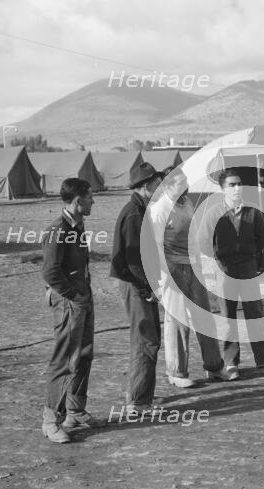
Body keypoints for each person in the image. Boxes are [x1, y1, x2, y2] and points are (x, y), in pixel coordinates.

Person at [149, 166, 238, 387]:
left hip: (193, 267)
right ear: (169, 186)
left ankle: (214, 367)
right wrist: (163, 275)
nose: (187, 185)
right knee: (178, 321)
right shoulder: (160, 209)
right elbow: (155, 245)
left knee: (204, 318)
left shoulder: (187, 203)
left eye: (186, 180)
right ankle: (177, 373)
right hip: (172, 270)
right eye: (181, 182)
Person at [198, 168, 264, 377]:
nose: (237, 188)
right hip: (224, 270)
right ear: (222, 189)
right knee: (228, 319)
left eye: (239, 184)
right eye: (232, 185)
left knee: (256, 316)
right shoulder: (213, 213)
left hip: (249, 269)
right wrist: (217, 262)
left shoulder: (253, 212)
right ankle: (231, 364)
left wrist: (261, 267)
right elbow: (203, 241)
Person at [41, 177, 99, 443]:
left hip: (82, 298)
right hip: (69, 303)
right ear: (78, 201)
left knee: (84, 355)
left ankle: (74, 411)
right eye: (89, 197)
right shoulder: (59, 229)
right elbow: (50, 272)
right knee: (64, 360)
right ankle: (51, 420)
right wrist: (74, 295)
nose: (93, 201)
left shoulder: (77, 225)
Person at [110, 162, 163, 413]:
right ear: (144, 186)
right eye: (156, 182)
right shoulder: (134, 214)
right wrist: (149, 287)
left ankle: (140, 395)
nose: (160, 185)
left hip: (140, 283)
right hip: (136, 284)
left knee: (148, 338)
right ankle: (138, 402)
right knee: (145, 340)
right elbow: (133, 261)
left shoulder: (142, 210)